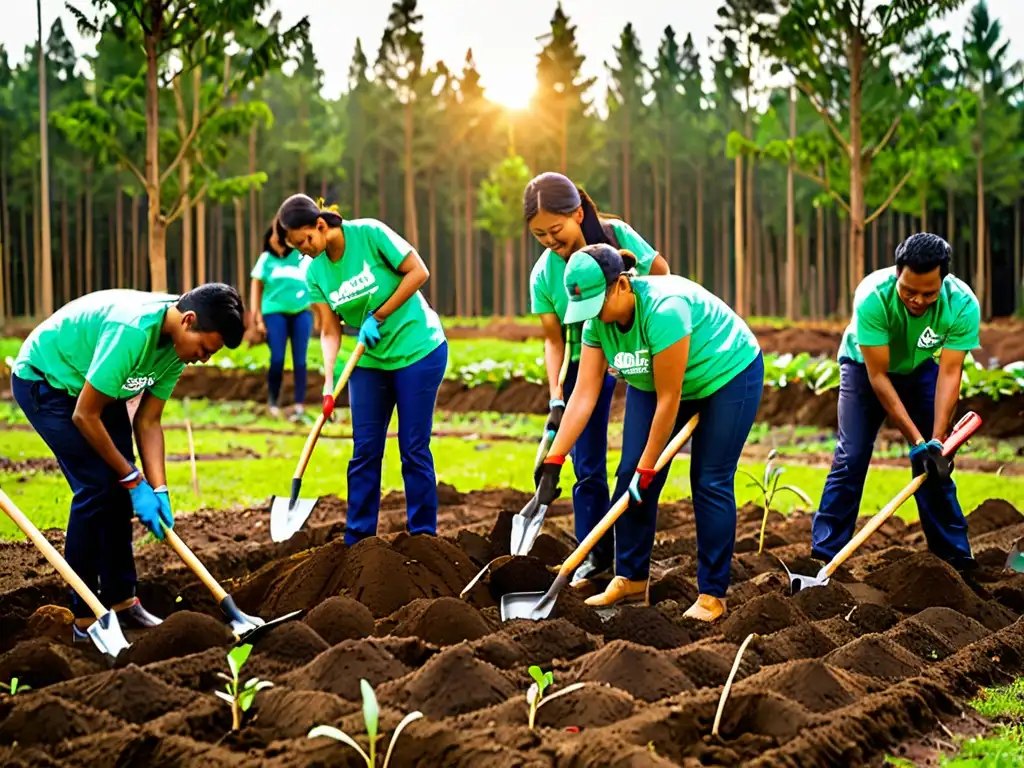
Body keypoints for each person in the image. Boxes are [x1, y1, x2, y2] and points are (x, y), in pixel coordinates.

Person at [533, 244, 763, 621]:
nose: (597, 317)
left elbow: (670, 399)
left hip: (726, 373)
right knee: (628, 475)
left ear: (621, 285)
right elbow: (583, 396)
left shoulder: (664, 310)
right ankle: (632, 578)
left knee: (709, 480)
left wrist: (649, 466)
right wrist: (555, 459)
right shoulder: (596, 322)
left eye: (598, 304)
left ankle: (712, 595)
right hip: (656, 382)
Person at [10, 284, 246, 640]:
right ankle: (86, 616)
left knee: (121, 486)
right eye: (203, 349)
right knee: (97, 488)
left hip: (101, 386)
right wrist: (135, 480)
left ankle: (122, 601)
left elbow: (149, 421)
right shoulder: (133, 331)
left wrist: (158, 488)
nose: (203, 359)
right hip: (49, 380)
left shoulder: (175, 349)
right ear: (188, 320)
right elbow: (84, 415)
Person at [274, 194, 448, 546]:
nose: (302, 251)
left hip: (417, 349)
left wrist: (379, 315)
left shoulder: (369, 233)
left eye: (304, 241)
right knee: (365, 450)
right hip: (368, 362)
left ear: (321, 225)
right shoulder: (314, 272)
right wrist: (328, 383)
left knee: (413, 448)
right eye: (295, 246)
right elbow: (329, 329)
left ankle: (424, 539)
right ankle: (359, 541)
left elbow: (419, 272)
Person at [524, 171, 670, 587]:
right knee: (586, 465)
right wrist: (556, 394)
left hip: (635, 343)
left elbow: (662, 274)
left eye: (556, 230)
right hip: (582, 357)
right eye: (539, 236)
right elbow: (554, 341)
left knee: (637, 462)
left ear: (578, 212)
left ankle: (629, 564)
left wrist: (637, 334)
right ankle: (593, 553)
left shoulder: (616, 234)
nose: (551, 242)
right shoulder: (543, 275)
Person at [812, 233, 979, 572]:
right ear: (897, 273)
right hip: (864, 370)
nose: (917, 300)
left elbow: (949, 373)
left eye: (928, 293)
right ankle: (826, 553)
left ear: (944, 281)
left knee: (934, 465)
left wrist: (934, 442)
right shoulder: (873, 295)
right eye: (909, 290)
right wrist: (916, 440)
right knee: (852, 455)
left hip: (919, 369)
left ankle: (954, 556)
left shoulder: (962, 304)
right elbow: (879, 378)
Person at [250, 225, 313, 420]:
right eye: (273, 238)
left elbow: (314, 281)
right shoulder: (265, 260)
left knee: (300, 360)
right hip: (274, 313)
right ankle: (273, 402)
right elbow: (256, 288)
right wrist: (257, 317)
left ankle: (299, 405)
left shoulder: (300, 257)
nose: (275, 241)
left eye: (279, 238)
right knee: (277, 358)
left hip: (302, 312)